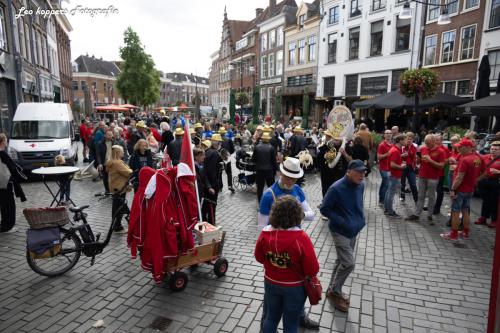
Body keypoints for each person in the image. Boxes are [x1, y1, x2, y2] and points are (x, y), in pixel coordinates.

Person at [257, 157, 318, 330]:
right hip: (277, 246)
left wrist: (297, 216)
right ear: (280, 173)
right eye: (287, 177)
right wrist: (281, 230)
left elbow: (311, 214)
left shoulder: (297, 189)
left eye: (294, 178)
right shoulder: (269, 195)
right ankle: (266, 324)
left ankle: (301, 316)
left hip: (296, 246)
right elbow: (262, 226)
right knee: (272, 305)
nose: (290, 181)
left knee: (296, 285)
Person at [320, 160, 366, 312]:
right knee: (349, 263)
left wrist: (359, 221)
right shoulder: (336, 188)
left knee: (341, 261)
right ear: (349, 171)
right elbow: (324, 209)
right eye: (358, 172)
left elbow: (357, 205)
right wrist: (344, 222)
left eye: (363, 172)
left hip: (353, 230)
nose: (362, 175)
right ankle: (335, 291)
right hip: (340, 231)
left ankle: (332, 289)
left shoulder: (361, 185)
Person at [441, 138, 484, 241]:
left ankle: (454, 234)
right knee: (465, 210)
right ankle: (465, 231)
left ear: (468, 147)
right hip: (469, 189)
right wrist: (475, 181)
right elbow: (484, 172)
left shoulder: (464, 160)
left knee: (455, 211)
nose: (458, 148)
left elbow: (460, 177)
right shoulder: (477, 158)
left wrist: (453, 189)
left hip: (460, 189)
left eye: (461, 147)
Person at [406, 134, 445, 223]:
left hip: (433, 177)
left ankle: (429, 215)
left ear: (433, 141)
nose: (426, 144)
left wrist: (430, 160)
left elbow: (441, 166)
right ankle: (417, 214)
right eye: (425, 142)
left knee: (431, 196)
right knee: (420, 195)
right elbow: (418, 162)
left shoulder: (440, 151)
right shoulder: (423, 148)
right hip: (422, 175)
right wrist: (418, 159)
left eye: (428, 143)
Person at [0, 133, 26, 233]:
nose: (6, 142)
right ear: (3, 141)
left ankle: (4, 224)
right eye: (6, 140)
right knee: (9, 205)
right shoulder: (3, 154)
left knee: (4, 205)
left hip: (2, 183)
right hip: (5, 183)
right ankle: (7, 226)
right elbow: (12, 168)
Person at [106, 145, 133, 233]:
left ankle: (115, 225)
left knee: (116, 207)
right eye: (122, 151)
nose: (123, 152)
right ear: (118, 153)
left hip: (115, 187)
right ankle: (118, 226)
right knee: (119, 208)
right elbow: (128, 172)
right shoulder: (117, 163)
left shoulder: (112, 161)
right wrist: (130, 169)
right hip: (120, 188)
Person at [475, 141, 500, 228]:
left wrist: (498, 172)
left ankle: (494, 220)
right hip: (483, 181)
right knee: (485, 200)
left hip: (495, 182)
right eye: (492, 149)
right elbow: (477, 166)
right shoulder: (484, 157)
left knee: (494, 201)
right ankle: (483, 217)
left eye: (496, 149)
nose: (493, 151)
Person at [203, 134, 224, 225]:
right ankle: (211, 223)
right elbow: (211, 171)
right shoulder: (214, 153)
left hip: (206, 182)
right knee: (212, 205)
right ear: (218, 143)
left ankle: (205, 222)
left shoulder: (207, 151)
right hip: (211, 184)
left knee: (206, 205)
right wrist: (213, 185)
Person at [384, 134, 407, 217]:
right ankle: (390, 211)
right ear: (400, 141)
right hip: (394, 174)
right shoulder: (396, 150)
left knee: (389, 192)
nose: (406, 141)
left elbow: (393, 159)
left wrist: (400, 157)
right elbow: (392, 164)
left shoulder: (395, 149)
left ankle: (387, 209)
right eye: (405, 139)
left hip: (391, 173)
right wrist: (401, 166)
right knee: (391, 192)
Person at [253, 132, 277, 203]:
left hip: (260, 170)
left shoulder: (257, 147)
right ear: (268, 139)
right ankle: (271, 201)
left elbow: (253, 159)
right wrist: (275, 170)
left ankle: (260, 202)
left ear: (262, 139)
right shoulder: (271, 148)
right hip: (269, 171)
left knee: (260, 188)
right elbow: (274, 161)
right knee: (271, 188)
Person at [96, 129, 117, 193]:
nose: (110, 136)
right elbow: (98, 154)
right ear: (105, 135)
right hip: (104, 163)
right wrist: (99, 163)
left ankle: (113, 189)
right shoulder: (100, 143)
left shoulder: (115, 142)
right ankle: (107, 190)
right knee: (105, 178)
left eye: (111, 135)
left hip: (113, 163)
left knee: (113, 177)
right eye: (108, 135)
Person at [433, 134, 449, 215]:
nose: (435, 141)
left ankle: (437, 208)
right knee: (431, 190)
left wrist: (437, 163)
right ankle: (432, 205)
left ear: (441, 141)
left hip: (440, 173)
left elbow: (446, 161)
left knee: (439, 191)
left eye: (437, 140)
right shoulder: (433, 148)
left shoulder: (444, 149)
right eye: (435, 140)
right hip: (432, 172)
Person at [400, 132, 418, 204]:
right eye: (407, 139)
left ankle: (416, 200)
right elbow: (399, 156)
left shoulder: (415, 147)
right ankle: (402, 196)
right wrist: (402, 155)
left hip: (411, 167)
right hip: (403, 166)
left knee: (413, 184)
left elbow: (416, 157)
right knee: (402, 183)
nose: (409, 140)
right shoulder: (403, 147)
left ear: (413, 139)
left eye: (410, 139)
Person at [377, 130, 393, 206]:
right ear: (384, 135)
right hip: (383, 167)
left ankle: (381, 198)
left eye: (390, 133)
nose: (388, 135)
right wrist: (387, 154)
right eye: (387, 133)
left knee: (384, 183)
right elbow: (379, 157)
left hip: (390, 167)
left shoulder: (393, 145)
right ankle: (382, 200)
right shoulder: (382, 145)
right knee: (386, 183)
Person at [219, 127, 235, 193]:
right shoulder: (228, 140)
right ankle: (230, 185)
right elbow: (233, 149)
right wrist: (228, 154)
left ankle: (220, 186)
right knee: (229, 172)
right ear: (225, 133)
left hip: (219, 158)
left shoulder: (218, 140)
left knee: (219, 173)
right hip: (227, 158)